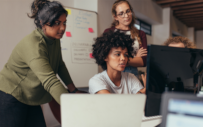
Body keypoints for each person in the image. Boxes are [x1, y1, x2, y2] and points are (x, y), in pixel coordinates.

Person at [0, 0, 84, 126]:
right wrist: (72, 105)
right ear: (42, 23)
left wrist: (73, 90)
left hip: (30, 97)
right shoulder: (34, 45)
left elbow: (59, 64)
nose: (62, 28)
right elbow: (50, 80)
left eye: (64, 23)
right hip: (12, 94)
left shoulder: (54, 39)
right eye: (57, 23)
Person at [103, 0, 147, 77]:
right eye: (121, 13)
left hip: (132, 73)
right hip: (113, 73)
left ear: (131, 12)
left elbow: (143, 62)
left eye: (128, 11)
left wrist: (118, 58)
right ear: (116, 17)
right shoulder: (109, 32)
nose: (126, 16)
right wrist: (135, 58)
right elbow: (105, 58)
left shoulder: (140, 34)